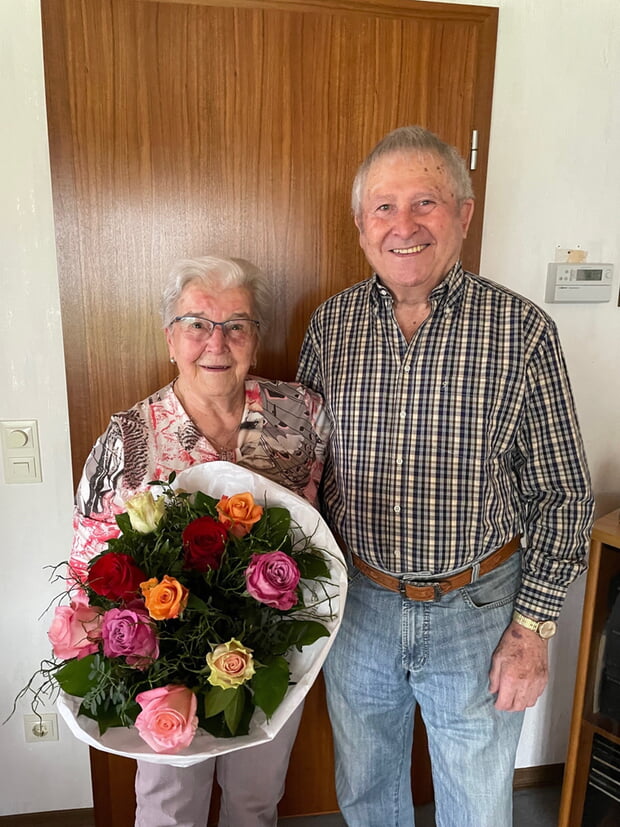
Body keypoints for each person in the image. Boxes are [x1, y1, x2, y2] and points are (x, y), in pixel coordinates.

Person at [297, 126, 594, 826]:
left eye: (426, 201)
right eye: (383, 207)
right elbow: (303, 469)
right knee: (368, 793)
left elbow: (563, 493)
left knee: (476, 804)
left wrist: (533, 629)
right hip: (360, 608)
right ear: (362, 226)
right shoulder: (330, 327)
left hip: (481, 613)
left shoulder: (522, 332)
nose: (404, 225)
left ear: (463, 213)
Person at [70, 255, 330, 827]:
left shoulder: (301, 414)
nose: (218, 342)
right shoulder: (130, 438)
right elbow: (88, 562)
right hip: (168, 665)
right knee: (169, 806)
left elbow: (328, 526)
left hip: (273, 651)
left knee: (258, 799)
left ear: (256, 339)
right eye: (197, 324)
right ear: (170, 338)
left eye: (237, 324)